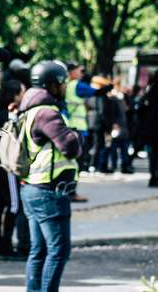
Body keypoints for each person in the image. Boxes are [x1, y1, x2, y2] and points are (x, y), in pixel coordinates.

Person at [19, 60, 83, 292]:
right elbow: (71, 147)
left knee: (39, 249)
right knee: (58, 250)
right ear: (52, 85)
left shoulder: (31, 109)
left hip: (32, 188)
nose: (65, 86)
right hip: (49, 191)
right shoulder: (47, 113)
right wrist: (75, 134)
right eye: (63, 82)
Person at [0, 79, 30, 261]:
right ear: (15, 95)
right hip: (7, 164)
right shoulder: (12, 113)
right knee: (14, 205)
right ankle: (5, 246)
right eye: (22, 93)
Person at [64, 61, 112, 202]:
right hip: (78, 129)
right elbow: (97, 92)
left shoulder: (65, 85)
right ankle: (72, 192)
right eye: (80, 71)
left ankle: (67, 190)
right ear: (72, 72)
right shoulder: (77, 85)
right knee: (76, 163)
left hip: (68, 127)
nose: (81, 74)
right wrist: (110, 85)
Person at [142, 69, 158, 187]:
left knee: (153, 153)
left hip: (150, 126)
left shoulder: (150, 89)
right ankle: (157, 176)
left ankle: (153, 177)